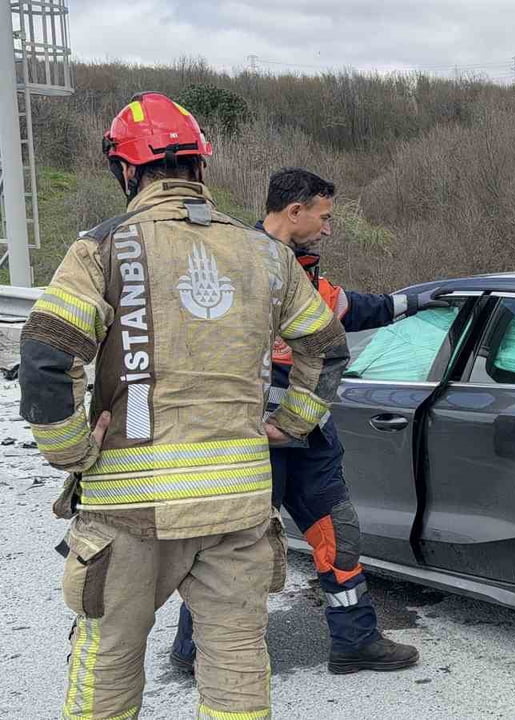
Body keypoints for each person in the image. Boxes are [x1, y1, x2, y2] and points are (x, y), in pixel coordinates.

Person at [22, 92, 343, 719]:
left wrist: (72, 450)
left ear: (125, 169)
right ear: (202, 166)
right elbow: (326, 350)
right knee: (237, 662)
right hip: (238, 507)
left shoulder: (103, 248)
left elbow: (45, 358)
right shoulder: (267, 254)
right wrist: (291, 422)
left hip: (129, 510)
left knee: (107, 659)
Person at [170, 168, 426, 675]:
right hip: (252, 439)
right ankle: (196, 648)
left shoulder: (303, 272)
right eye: (324, 217)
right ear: (295, 211)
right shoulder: (233, 262)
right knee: (232, 550)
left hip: (308, 438)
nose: (329, 229)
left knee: (339, 536)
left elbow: (348, 309)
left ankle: (355, 641)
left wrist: (423, 300)